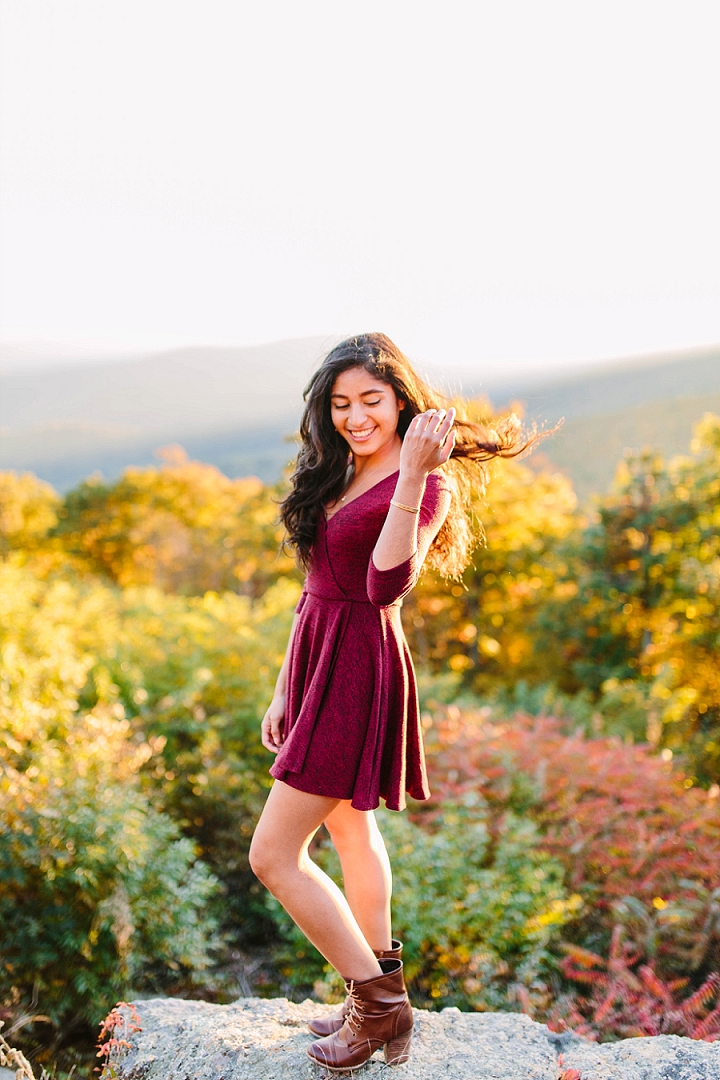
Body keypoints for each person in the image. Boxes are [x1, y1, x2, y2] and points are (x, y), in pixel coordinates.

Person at [249, 333, 539, 1071]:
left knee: (275, 855)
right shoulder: (336, 469)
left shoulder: (427, 486)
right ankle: (378, 998)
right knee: (349, 830)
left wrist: (412, 473)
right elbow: (313, 585)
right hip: (319, 661)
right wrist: (287, 683)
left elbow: (384, 586)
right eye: (341, 403)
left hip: (358, 669)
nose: (354, 416)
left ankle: (378, 1007)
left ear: (402, 401)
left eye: (371, 401)